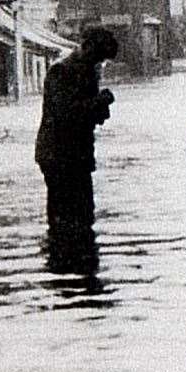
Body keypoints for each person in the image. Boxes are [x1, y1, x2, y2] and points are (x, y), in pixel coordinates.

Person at [35, 27, 120, 249]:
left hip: (78, 154)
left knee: (83, 215)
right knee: (64, 217)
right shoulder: (61, 71)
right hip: (58, 156)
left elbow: (89, 116)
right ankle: (64, 264)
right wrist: (99, 102)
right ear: (88, 48)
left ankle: (79, 266)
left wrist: (100, 108)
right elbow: (66, 113)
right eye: (99, 58)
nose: (100, 64)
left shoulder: (88, 71)